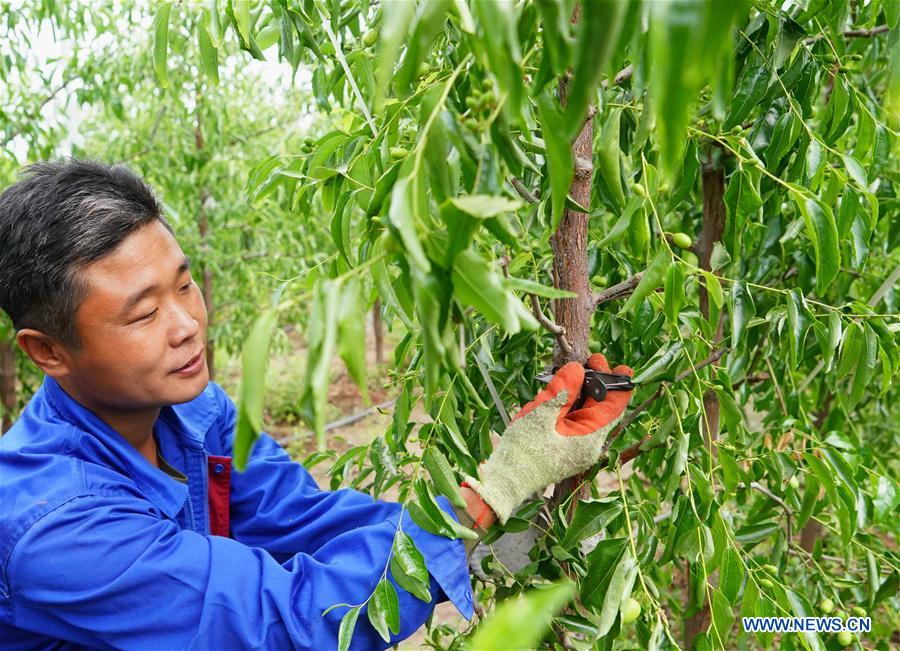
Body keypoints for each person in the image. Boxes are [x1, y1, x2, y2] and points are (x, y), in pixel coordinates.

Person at [0, 160, 633, 649]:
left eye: (186, 286)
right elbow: (287, 625)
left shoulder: (197, 413)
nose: (188, 325)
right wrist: (498, 486)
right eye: (143, 313)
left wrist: (490, 522)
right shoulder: (57, 529)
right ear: (47, 350)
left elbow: (309, 521)